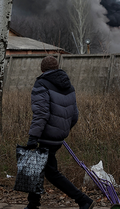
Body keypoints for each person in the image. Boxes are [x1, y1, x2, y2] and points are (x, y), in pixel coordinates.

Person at [24, 56, 94, 209]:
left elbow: (41, 114)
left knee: (51, 172)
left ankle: (83, 200)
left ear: (42, 70)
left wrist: (33, 136)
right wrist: (63, 130)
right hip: (58, 137)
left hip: (45, 136)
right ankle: (33, 204)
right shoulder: (68, 85)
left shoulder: (41, 84)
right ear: (56, 68)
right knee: (38, 167)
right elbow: (74, 115)